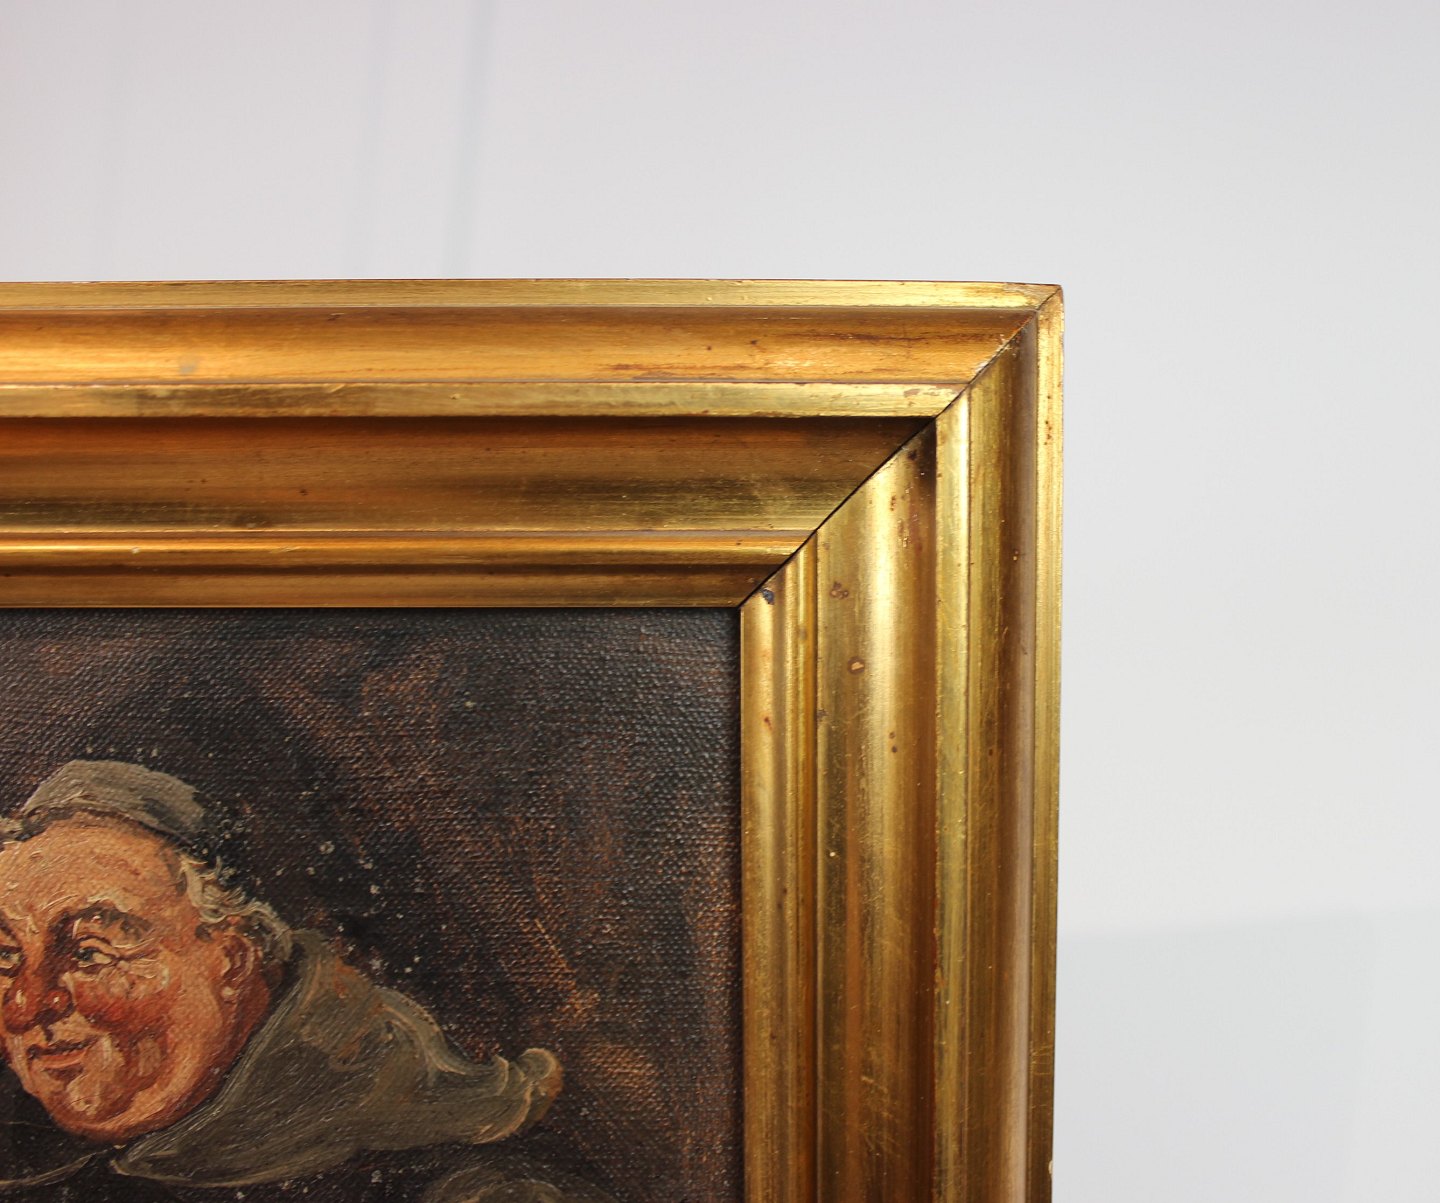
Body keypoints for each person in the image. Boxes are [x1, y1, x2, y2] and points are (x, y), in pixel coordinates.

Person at [0, 760, 615, 1202]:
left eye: (92, 951)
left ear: (233, 960)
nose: (26, 1005)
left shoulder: (470, 1188)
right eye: (4, 957)